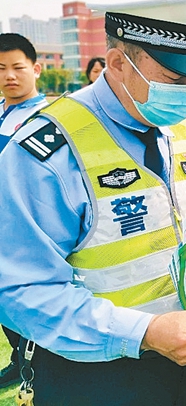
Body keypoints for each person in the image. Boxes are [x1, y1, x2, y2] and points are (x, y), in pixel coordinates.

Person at [0, 0, 186, 405]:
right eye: (173, 79)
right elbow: (21, 289)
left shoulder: (184, 132)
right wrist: (143, 334)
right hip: (93, 376)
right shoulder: (48, 154)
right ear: (117, 63)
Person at [0, 33, 49, 389]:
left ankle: (37, 362)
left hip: (28, 228)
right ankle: (19, 358)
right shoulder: (2, 112)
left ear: (36, 69)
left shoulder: (46, 117)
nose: (9, 76)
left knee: (29, 296)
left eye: (18, 67)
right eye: (1, 69)